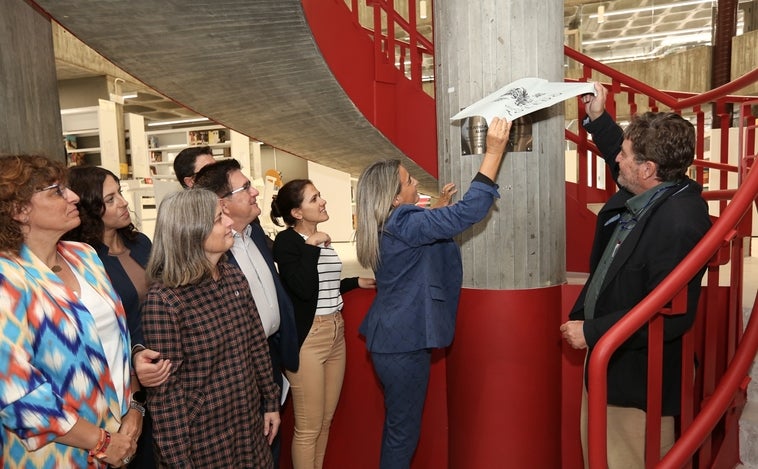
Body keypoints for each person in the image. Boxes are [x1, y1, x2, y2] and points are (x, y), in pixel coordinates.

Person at [559, 83, 711, 468]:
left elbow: (669, 315)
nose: (617, 161)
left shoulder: (678, 222)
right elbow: (621, 159)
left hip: (636, 383)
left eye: (625, 156)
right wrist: (598, 118)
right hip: (613, 366)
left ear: (648, 169)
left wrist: (591, 332)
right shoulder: (654, 190)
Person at [354, 117, 512, 468]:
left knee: (401, 427)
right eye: (409, 182)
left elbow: (419, 237)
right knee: (402, 432)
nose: (415, 186)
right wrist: (494, 152)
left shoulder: (392, 223)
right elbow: (470, 211)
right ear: (395, 198)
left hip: (393, 340)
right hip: (402, 343)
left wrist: (437, 210)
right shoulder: (405, 222)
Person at [0, 154, 138, 467]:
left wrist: (135, 408)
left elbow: (115, 343)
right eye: (57, 191)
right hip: (55, 455)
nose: (74, 196)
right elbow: (15, 394)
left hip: (120, 439)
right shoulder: (6, 278)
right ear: (19, 210)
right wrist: (102, 442)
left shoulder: (85, 255)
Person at [141, 189, 281, 467]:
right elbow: (166, 398)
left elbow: (256, 344)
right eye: (219, 219)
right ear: (191, 233)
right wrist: (179, 462)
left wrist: (270, 401)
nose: (229, 223)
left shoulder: (231, 275)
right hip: (204, 443)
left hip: (249, 428)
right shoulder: (165, 301)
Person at [64, 165, 172, 468]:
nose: (123, 203)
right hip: (124, 381)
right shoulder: (85, 260)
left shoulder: (141, 244)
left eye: (119, 194)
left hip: (162, 367)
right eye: (110, 200)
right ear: (89, 209)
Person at [193, 159, 300, 465]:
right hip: (235, 366)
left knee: (270, 440)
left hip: (270, 355)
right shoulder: (213, 255)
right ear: (221, 203)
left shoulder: (254, 235)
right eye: (245, 187)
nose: (255, 192)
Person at [270, 179, 375, 469]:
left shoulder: (319, 239)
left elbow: (322, 286)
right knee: (308, 427)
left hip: (335, 332)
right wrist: (312, 246)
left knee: (326, 420)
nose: (323, 201)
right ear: (297, 212)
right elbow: (301, 287)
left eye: (320, 195)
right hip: (309, 339)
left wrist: (355, 282)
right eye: (314, 198)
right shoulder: (288, 242)